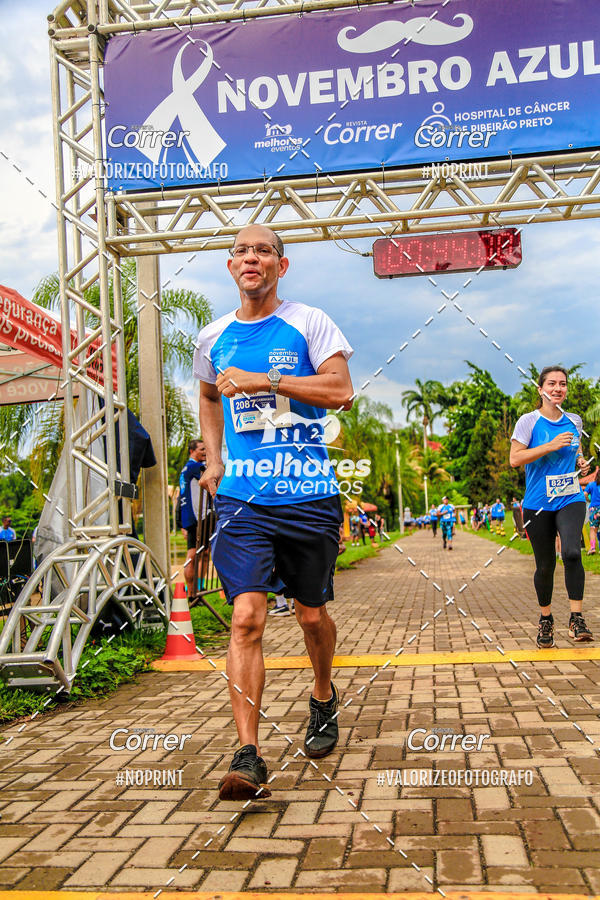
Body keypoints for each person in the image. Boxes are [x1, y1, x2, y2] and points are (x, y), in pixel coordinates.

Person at [194, 224, 353, 801]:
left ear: (280, 266)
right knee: (246, 618)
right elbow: (210, 397)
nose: (251, 258)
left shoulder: (310, 321)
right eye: (241, 250)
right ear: (230, 267)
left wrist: (269, 378)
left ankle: (322, 695)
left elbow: (341, 390)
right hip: (244, 496)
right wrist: (214, 459)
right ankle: (248, 754)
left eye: (263, 250)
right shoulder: (212, 338)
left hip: (308, 493)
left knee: (311, 617)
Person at [510, 365, 592, 648]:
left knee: (571, 552)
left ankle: (576, 618)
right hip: (538, 503)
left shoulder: (575, 421)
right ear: (541, 389)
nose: (559, 388)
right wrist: (550, 446)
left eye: (563, 384)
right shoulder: (528, 422)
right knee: (545, 565)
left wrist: (578, 461)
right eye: (553, 383)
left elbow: (576, 447)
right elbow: (515, 459)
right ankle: (546, 620)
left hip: (571, 497)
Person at [178, 439, 209, 598]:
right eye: (202, 449)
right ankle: (192, 592)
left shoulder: (185, 469)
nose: (205, 452)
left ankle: (198, 588)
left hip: (192, 517)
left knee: (203, 553)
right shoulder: (195, 467)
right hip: (199, 517)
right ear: (192, 451)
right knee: (193, 555)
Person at [584, 469, 600, 555]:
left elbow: (585, 494)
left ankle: (593, 548)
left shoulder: (591, 485)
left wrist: (589, 500)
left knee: (593, 529)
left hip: (594, 508)